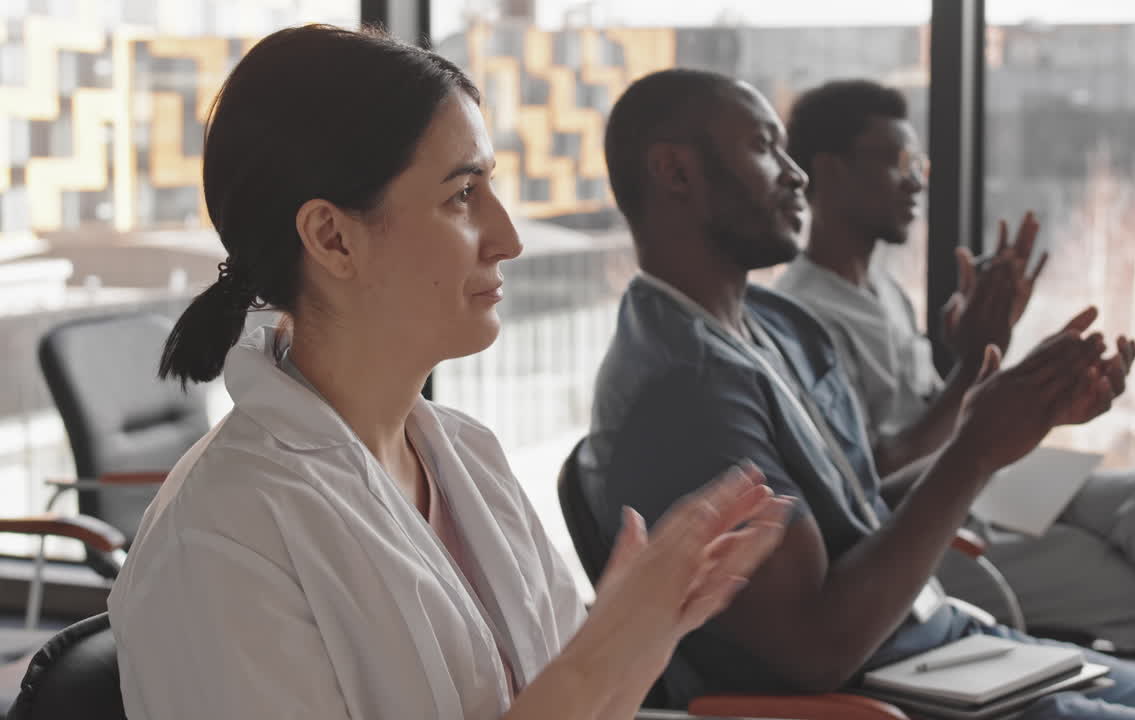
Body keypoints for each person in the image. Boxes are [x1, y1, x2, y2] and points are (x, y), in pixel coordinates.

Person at [106, 26, 792, 720]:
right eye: (462, 195)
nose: (509, 237)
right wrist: (602, 656)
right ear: (332, 238)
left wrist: (645, 636)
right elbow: (572, 689)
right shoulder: (218, 540)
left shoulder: (468, 456)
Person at [579, 66, 1135, 720]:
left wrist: (1012, 417)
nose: (795, 175)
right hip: (902, 692)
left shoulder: (776, 325)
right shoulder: (680, 394)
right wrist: (974, 450)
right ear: (675, 171)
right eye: (766, 149)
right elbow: (817, 650)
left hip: (952, 647)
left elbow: (862, 500)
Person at [773, 78, 1135, 701]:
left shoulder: (882, 294)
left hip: (980, 487)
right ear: (830, 170)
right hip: (923, 529)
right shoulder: (798, 314)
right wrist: (969, 373)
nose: (917, 181)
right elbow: (865, 480)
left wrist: (988, 358)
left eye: (921, 163)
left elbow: (942, 417)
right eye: (900, 162)